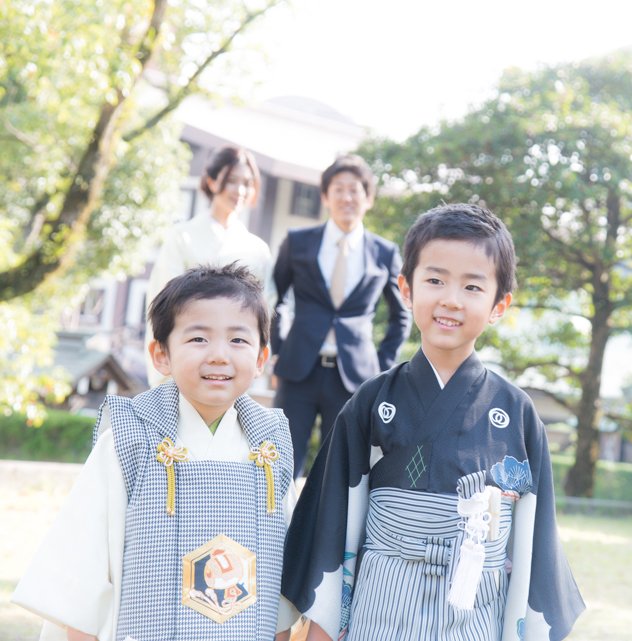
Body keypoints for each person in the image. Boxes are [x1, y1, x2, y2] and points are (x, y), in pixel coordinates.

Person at [281, 204, 585, 641]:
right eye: (435, 280)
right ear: (406, 288)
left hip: (473, 613)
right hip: (380, 608)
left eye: (472, 287)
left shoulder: (517, 415)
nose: (450, 299)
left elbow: (533, 545)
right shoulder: (371, 402)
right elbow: (331, 522)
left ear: (500, 305)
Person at [13, 264, 300, 641]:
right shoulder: (131, 435)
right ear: (160, 354)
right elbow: (83, 563)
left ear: (262, 358)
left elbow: (278, 571)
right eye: (198, 339)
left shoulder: (271, 442)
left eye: (238, 340)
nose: (218, 355)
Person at [271, 154, 411, 477]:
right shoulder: (298, 242)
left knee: (341, 469)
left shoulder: (384, 252)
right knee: (280, 464)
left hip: (353, 379)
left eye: (355, 190)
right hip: (297, 372)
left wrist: (381, 368)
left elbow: (401, 315)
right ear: (325, 196)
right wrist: (276, 352)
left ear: (368, 198)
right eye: (339, 189)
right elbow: (274, 301)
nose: (347, 197)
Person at [145, 145, 276, 386]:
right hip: (188, 354)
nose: (240, 190)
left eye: (247, 183)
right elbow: (161, 301)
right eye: (232, 181)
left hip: (231, 363)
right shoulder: (182, 236)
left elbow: (264, 310)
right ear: (212, 182)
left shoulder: (257, 249)